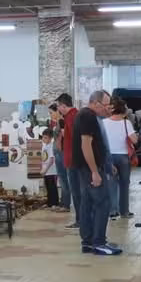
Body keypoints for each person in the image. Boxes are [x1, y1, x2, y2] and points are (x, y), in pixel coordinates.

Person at [73, 90, 121, 256]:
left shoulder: (87, 116)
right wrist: (94, 171)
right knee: (103, 202)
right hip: (89, 168)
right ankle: (99, 242)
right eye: (106, 105)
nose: (108, 109)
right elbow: (85, 145)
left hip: (88, 167)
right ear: (95, 103)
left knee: (87, 203)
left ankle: (88, 242)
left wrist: (106, 164)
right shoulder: (88, 116)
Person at [103, 98, 138, 219]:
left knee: (111, 184)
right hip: (123, 156)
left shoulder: (104, 122)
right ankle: (124, 211)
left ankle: (112, 210)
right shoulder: (126, 123)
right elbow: (134, 140)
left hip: (109, 157)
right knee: (124, 184)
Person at [56, 93, 80, 230]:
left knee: (76, 192)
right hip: (73, 158)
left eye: (59, 106)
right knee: (77, 191)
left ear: (63, 105)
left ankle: (80, 220)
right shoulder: (74, 115)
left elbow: (76, 137)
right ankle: (81, 219)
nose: (58, 109)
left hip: (73, 160)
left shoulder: (71, 117)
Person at [49, 103, 69, 213]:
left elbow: (65, 136)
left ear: (57, 111)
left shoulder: (61, 121)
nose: (50, 115)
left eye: (51, 112)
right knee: (61, 179)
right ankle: (63, 202)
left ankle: (66, 204)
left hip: (61, 152)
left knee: (63, 179)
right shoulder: (58, 122)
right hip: (58, 152)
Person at [40, 128, 59, 209]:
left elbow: (51, 159)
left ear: (51, 138)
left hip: (51, 171)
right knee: (48, 187)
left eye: (45, 137)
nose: (43, 139)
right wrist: (42, 169)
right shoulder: (44, 146)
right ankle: (49, 203)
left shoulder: (51, 146)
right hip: (46, 171)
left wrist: (45, 169)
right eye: (43, 137)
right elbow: (44, 159)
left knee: (52, 187)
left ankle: (55, 203)